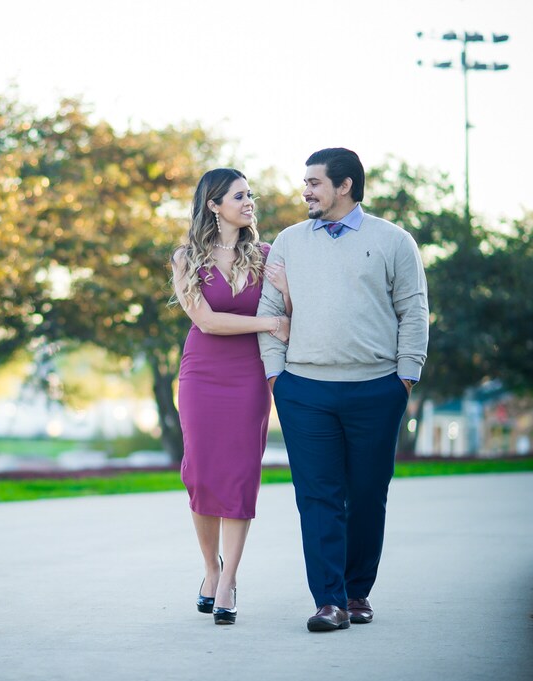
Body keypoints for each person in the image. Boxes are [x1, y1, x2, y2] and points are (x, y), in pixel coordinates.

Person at [257, 148, 429, 632]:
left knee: (368, 494)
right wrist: (277, 377)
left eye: (313, 182)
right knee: (317, 496)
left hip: (377, 388)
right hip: (304, 390)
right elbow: (271, 310)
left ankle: (357, 593)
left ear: (345, 185)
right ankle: (328, 601)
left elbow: (414, 311)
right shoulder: (289, 241)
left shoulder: (394, 240)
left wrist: (405, 376)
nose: (305, 190)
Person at [171, 168, 291, 625]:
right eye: (239, 195)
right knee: (201, 475)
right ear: (213, 204)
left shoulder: (265, 255)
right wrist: (268, 323)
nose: (249, 202)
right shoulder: (186, 259)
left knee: (241, 475)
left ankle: (229, 580)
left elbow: (291, 311)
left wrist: (284, 292)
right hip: (202, 373)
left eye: (250, 194)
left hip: (249, 376)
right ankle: (209, 567)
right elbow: (207, 322)